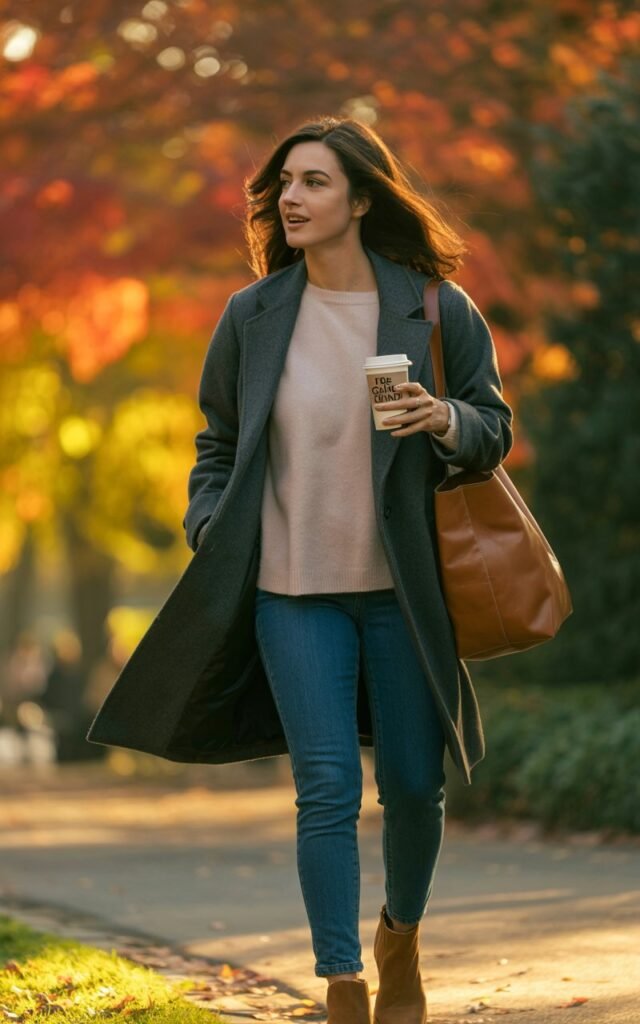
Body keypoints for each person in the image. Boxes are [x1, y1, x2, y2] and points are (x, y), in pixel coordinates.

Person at [188, 117, 513, 1024]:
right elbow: (215, 443)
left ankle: (398, 934)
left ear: (363, 199)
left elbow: (495, 427)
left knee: (414, 783)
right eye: (285, 182)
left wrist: (444, 420)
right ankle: (340, 980)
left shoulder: (437, 308)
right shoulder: (252, 316)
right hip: (289, 592)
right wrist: (210, 522)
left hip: (404, 595)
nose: (291, 198)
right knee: (324, 785)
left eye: (315, 182)